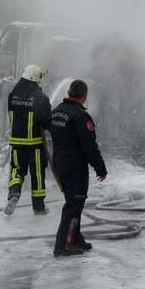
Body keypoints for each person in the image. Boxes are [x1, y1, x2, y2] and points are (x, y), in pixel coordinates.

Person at [50, 80, 108, 257]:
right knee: (74, 205)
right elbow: (89, 146)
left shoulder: (58, 111)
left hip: (60, 163)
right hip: (75, 166)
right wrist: (100, 168)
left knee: (73, 202)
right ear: (84, 96)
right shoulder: (80, 116)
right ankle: (63, 245)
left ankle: (76, 238)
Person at [4, 64, 51, 215]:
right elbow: (46, 121)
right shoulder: (40, 98)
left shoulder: (12, 95)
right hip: (35, 143)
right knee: (37, 174)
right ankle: (38, 207)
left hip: (16, 142)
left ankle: (14, 193)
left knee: (17, 170)